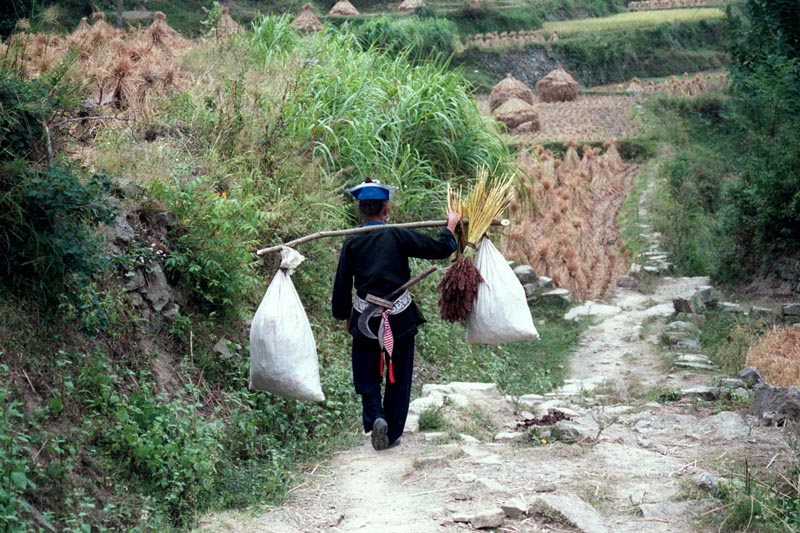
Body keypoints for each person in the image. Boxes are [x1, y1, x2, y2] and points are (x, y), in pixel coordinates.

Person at [332, 178, 461, 451]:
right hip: (398, 317)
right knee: (399, 375)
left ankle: (376, 416)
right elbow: (440, 249)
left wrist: (343, 314)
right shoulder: (398, 234)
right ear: (386, 209)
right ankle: (390, 434)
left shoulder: (352, 241)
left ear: (362, 211)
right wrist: (450, 228)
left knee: (366, 374)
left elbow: (342, 283)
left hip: (365, 319)